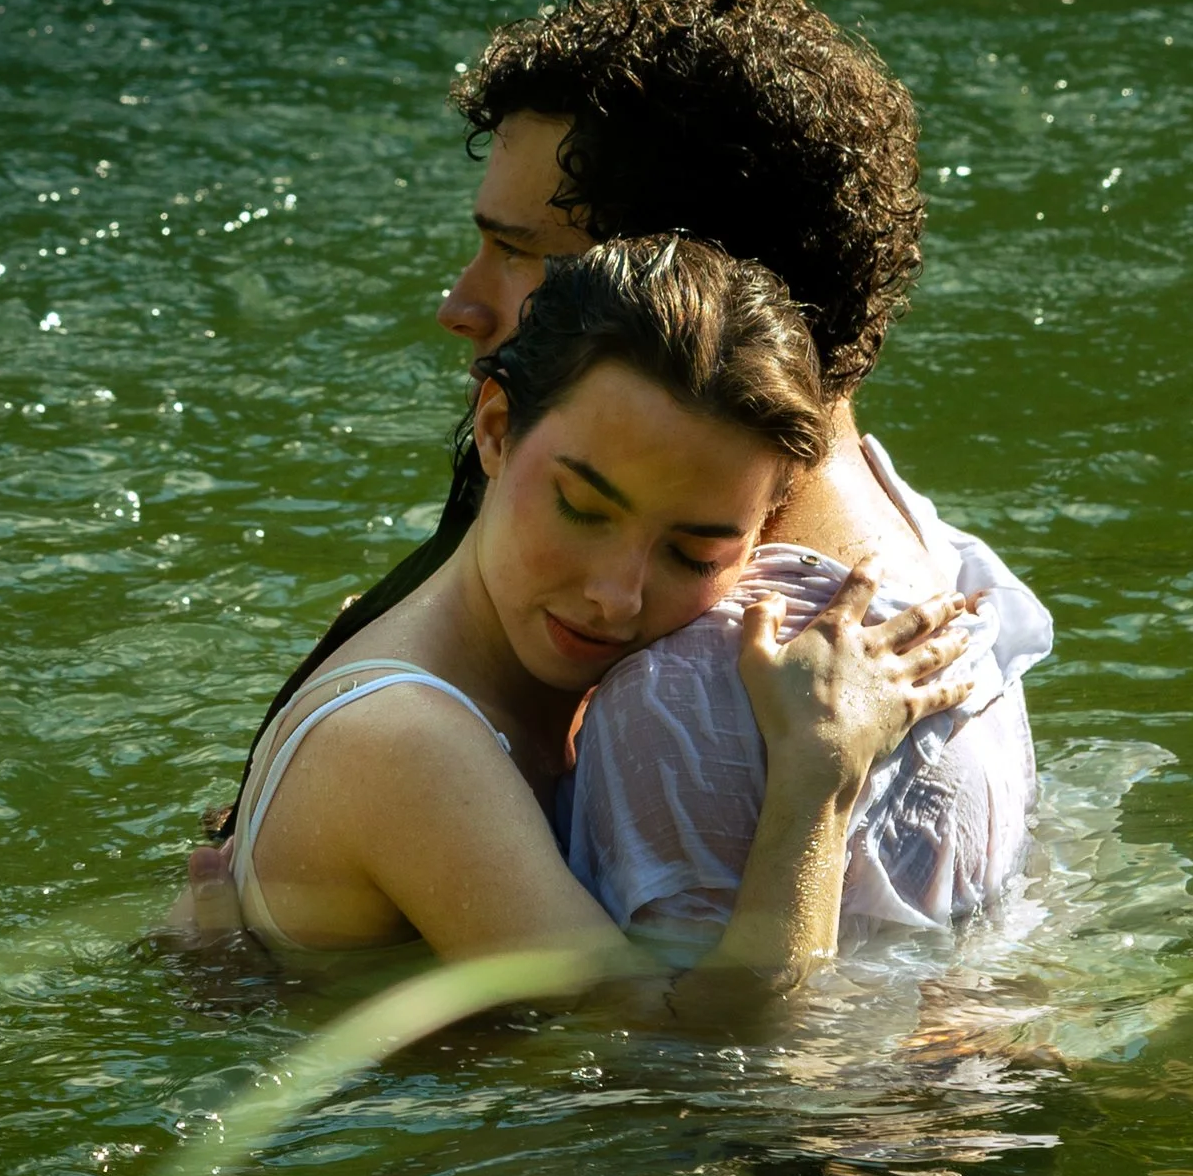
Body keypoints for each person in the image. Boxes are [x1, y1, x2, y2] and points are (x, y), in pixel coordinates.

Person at [181, 0, 1049, 943]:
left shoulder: (677, 703)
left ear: (681, 291)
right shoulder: (931, 552)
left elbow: (728, 1081)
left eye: (525, 256)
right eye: (584, 506)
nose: (459, 305)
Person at [171, 237, 978, 1021]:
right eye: (582, 508)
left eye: (694, 552)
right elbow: (703, 1065)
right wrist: (820, 774)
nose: (616, 598)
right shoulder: (408, 746)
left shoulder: (479, 661)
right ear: (494, 431)